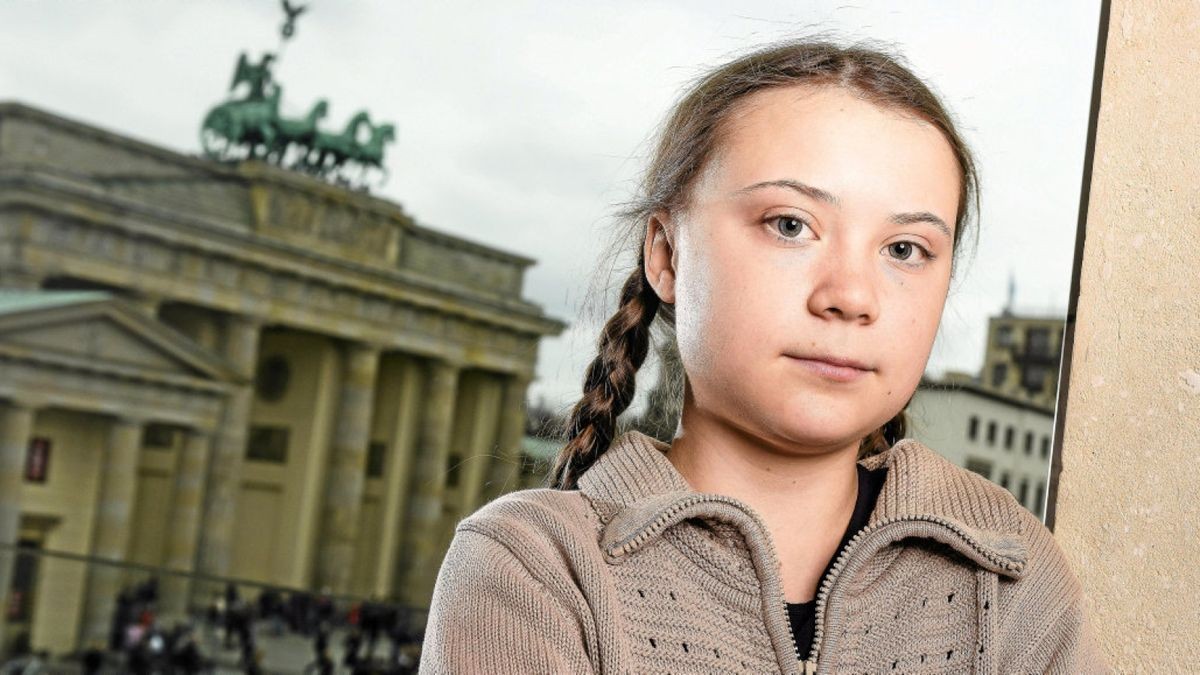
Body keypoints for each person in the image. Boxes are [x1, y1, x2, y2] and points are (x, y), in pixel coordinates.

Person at [418, 36, 1110, 674]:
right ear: (666, 254)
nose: (850, 295)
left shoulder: (1009, 575)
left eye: (905, 249)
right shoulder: (532, 569)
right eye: (790, 225)